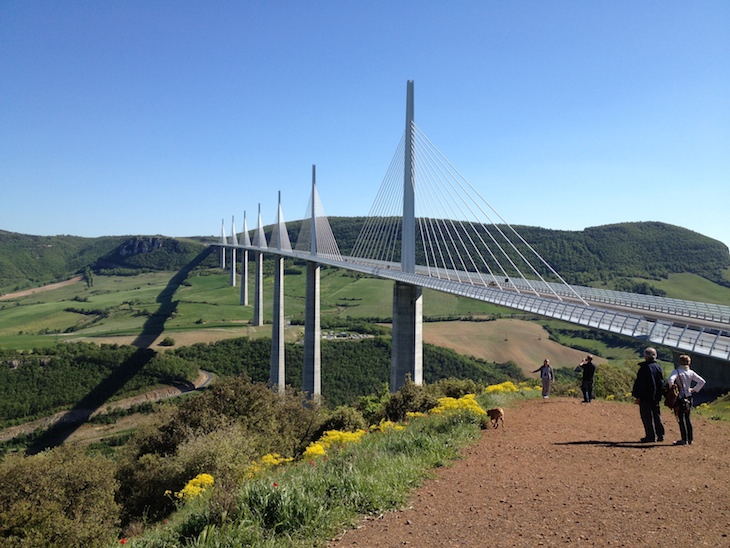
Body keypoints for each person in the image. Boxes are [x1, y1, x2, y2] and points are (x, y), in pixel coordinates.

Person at [667, 354, 706, 446]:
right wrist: (694, 389)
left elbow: (670, 380)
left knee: (681, 418)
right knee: (688, 418)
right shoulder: (691, 372)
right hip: (689, 396)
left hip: (680, 397)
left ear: (680, 362)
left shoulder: (677, 371)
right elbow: (702, 382)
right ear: (689, 363)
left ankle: (683, 439)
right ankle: (690, 439)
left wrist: (672, 389)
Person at [631, 347, 665, 443]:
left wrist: (637, 396)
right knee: (656, 415)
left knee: (646, 416)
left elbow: (640, 384)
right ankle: (660, 434)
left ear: (645, 355)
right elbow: (661, 383)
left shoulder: (644, 368)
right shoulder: (658, 367)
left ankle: (650, 436)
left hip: (646, 397)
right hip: (656, 397)